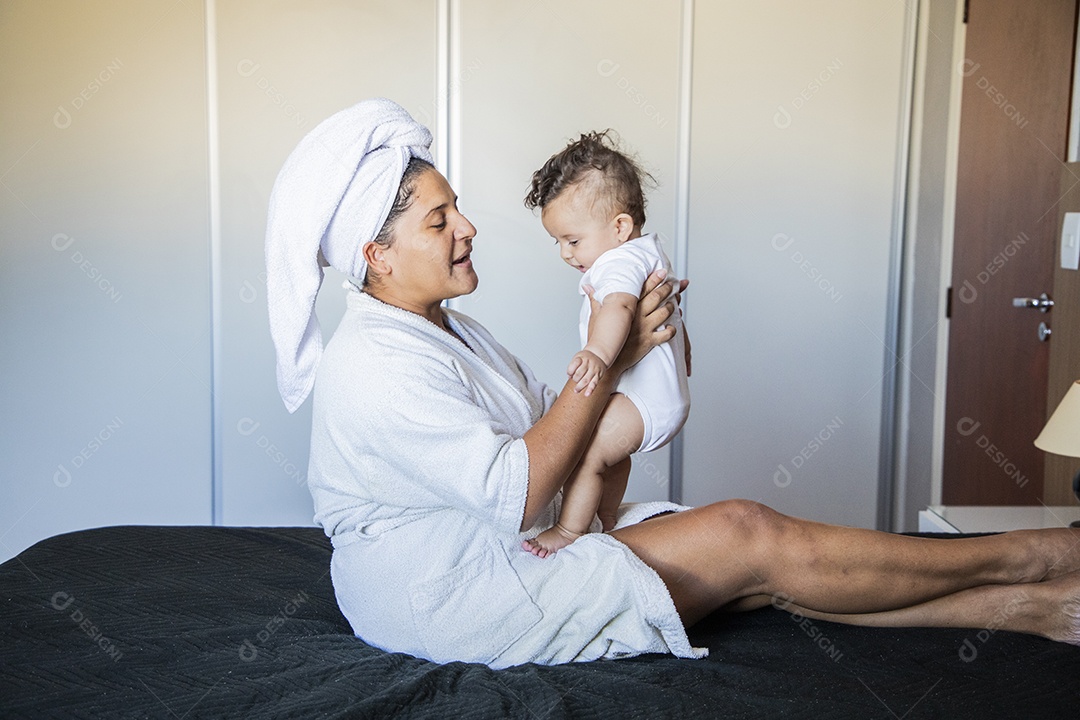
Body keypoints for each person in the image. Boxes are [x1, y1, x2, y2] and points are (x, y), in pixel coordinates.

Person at [266, 99, 1080, 670]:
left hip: (515, 545)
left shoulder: (449, 331)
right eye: (439, 220)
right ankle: (1033, 556)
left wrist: (638, 361)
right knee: (748, 535)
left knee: (753, 576)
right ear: (376, 255)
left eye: (458, 208)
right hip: (453, 591)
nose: (468, 227)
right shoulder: (373, 363)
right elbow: (516, 491)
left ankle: (1035, 607)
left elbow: (555, 419)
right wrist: (616, 367)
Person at [521, 131, 690, 557]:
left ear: (619, 226)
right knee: (608, 454)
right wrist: (684, 354)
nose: (565, 253)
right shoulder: (646, 253)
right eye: (558, 241)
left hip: (646, 403)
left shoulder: (617, 261)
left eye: (572, 240)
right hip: (661, 398)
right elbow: (670, 312)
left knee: (586, 453)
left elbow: (617, 307)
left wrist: (597, 353)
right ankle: (607, 519)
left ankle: (569, 531)